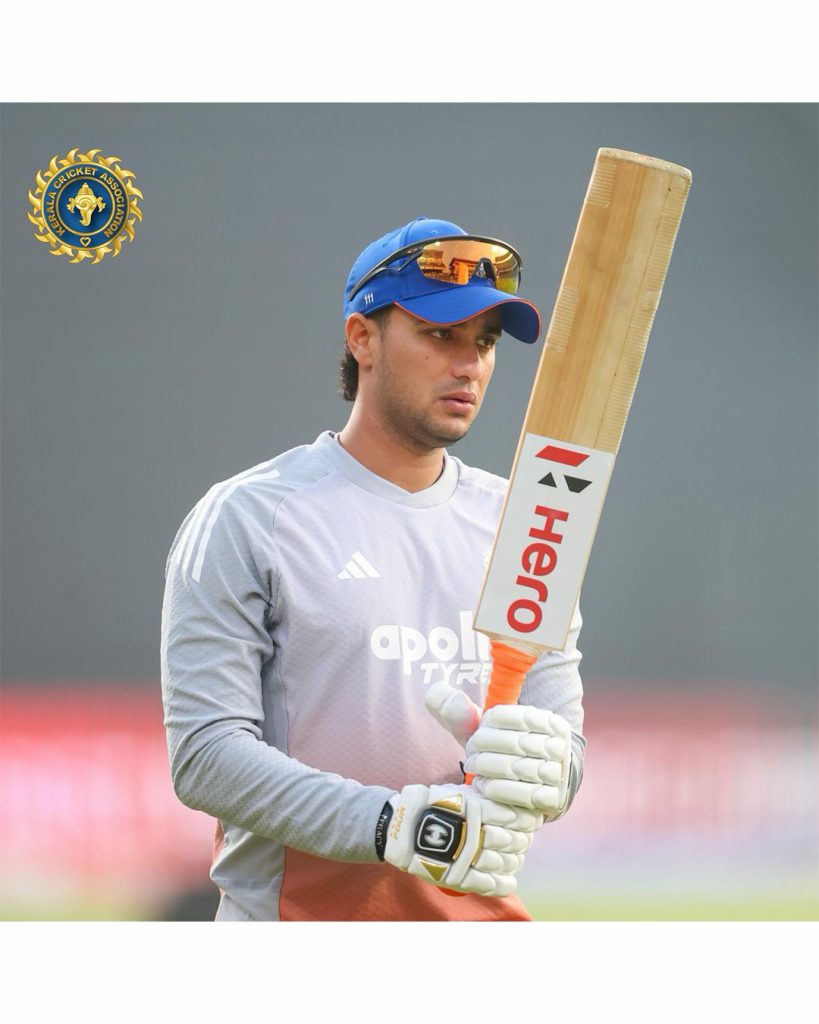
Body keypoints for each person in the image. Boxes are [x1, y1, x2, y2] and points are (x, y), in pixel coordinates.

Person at [160, 217, 586, 921]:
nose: (469, 365)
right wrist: (391, 825)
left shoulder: (526, 523)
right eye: (440, 334)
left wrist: (548, 768)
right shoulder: (249, 515)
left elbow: (561, 750)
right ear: (362, 338)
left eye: (484, 342)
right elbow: (206, 755)